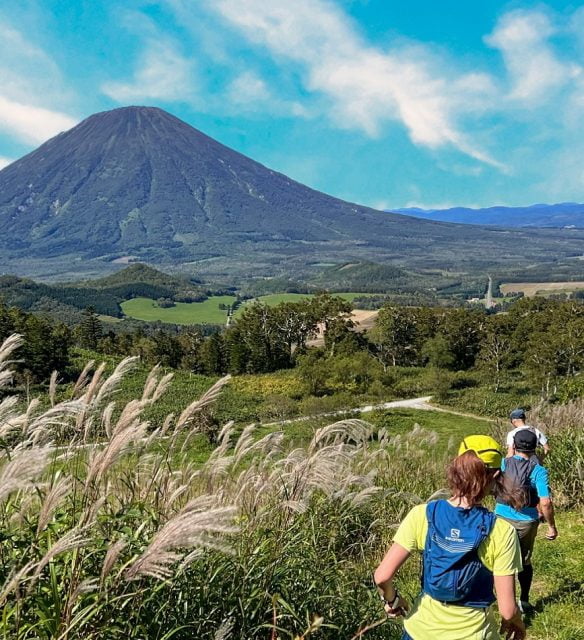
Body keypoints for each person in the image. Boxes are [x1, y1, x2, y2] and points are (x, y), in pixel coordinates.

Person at [374, 435, 526, 640]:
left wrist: (392, 600)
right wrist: (516, 623)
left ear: (457, 469)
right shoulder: (501, 530)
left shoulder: (422, 514)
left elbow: (382, 576)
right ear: (495, 475)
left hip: (419, 631)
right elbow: (507, 610)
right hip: (474, 634)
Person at [495, 428, 557, 614]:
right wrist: (552, 526)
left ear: (514, 445)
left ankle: (502, 602)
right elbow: (545, 502)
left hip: (501, 517)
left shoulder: (503, 463)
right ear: (535, 448)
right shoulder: (539, 470)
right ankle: (524, 600)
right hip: (526, 521)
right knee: (524, 561)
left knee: (499, 559)